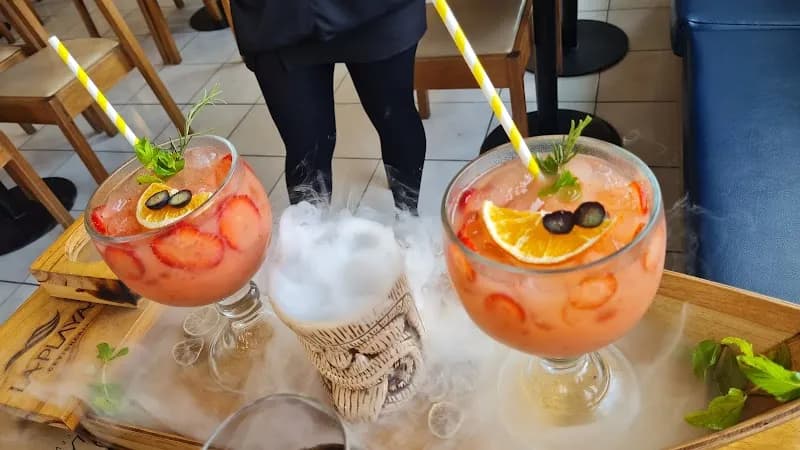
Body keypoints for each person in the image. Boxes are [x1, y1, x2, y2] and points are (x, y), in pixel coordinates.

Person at [230, 0, 428, 214]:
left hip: (378, 11)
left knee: (396, 122)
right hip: (276, 15)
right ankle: (310, 231)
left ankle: (408, 220)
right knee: (306, 147)